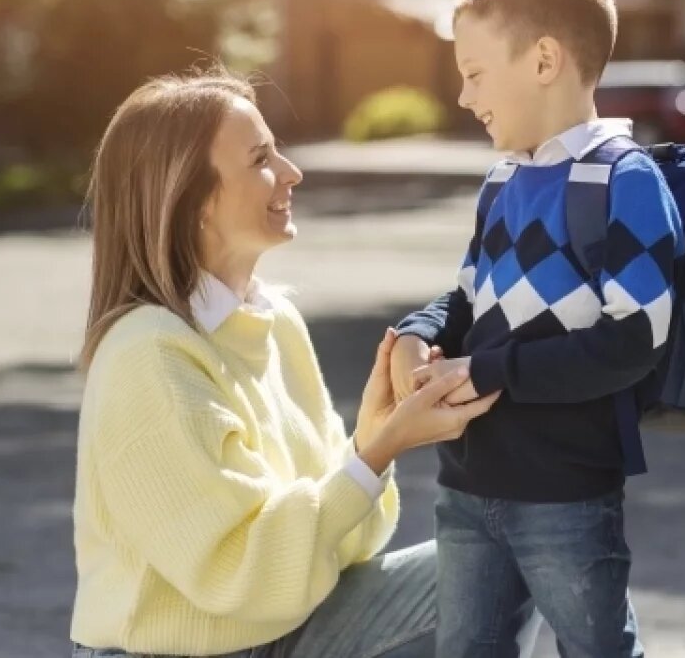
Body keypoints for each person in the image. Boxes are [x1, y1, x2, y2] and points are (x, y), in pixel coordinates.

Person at [69, 71, 501, 658]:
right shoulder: (149, 356)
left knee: (524, 561)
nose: (292, 172)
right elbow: (237, 574)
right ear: (194, 200)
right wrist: (377, 454)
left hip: (283, 630)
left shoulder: (273, 321)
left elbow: (346, 549)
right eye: (260, 159)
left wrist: (369, 444)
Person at [390, 0, 685, 657]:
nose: (463, 95)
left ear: (545, 59)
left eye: (476, 72)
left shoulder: (624, 180)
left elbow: (633, 340)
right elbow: (467, 295)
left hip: (565, 493)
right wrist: (419, 329)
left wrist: (487, 370)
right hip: (467, 486)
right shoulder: (502, 182)